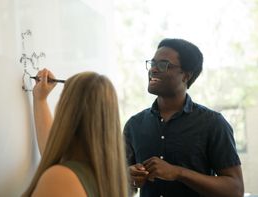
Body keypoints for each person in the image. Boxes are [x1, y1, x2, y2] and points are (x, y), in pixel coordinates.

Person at [124, 38, 244, 197]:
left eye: (162, 65)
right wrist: (128, 177)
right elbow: (122, 184)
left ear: (186, 75)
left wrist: (178, 173)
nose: (153, 70)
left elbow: (235, 190)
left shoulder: (213, 123)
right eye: (152, 64)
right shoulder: (134, 125)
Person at [23, 69, 129, 197]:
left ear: (68, 113)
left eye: (62, 99)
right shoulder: (110, 176)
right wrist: (40, 100)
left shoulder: (61, 179)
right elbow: (52, 150)